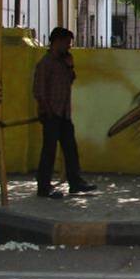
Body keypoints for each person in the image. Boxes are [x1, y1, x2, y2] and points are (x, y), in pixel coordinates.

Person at [33, 27, 97, 199]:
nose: (69, 46)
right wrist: (47, 110)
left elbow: (71, 80)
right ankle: (44, 187)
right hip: (52, 113)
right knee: (49, 151)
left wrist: (70, 66)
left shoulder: (63, 62)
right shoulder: (45, 63)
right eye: (67, 43)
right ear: (57, 42)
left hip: (64, 113)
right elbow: (39, 91)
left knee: (70, 149)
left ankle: (75, 182)